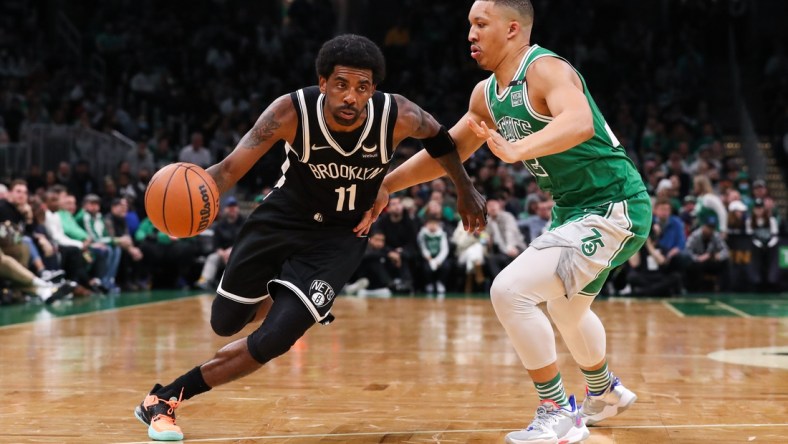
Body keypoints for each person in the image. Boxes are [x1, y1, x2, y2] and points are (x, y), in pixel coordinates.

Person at [133, 34, 486, 441]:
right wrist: (195, 194)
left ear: (374, 89)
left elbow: (440, 138)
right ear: (322, 83)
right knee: (225, 322)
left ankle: (164, 399)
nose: (351, 97)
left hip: (340, 236)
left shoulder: (398, 114)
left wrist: (464, 188)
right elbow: (230, 168)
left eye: (362, 87)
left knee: (275, 338)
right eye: (341, 85)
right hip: (281, 221)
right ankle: (292, 292)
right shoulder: (290, 111)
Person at [357, 2, 650, 442]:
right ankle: (605, 390)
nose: (470, 34)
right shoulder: (485, 96)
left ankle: (557, 413)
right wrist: (387, 186)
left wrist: (518, 149)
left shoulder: (546, 68)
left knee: (509, 290)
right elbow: (448, 150)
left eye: (480, 24)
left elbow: (580, 121)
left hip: (615, 204)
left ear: (512, 29)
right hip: (574, 210)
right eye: (469, 25)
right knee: (568, 309)